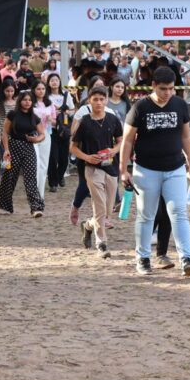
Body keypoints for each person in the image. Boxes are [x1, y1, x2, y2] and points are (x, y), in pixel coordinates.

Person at [120, 66, 190, 277]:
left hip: (174, 168)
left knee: (179, 213)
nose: (168, 93)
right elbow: (127, 141)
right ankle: (143, 258)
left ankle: (186, 257)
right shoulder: (140, 107)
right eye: (163, 89)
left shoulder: (180, 105)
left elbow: (186, 137)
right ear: (153, 86)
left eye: (172, 89)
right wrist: (123, 170)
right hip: (146, 169)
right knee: (146, 215)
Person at [71, 86, 123, 259]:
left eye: (102, 99)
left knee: (107, 210)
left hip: (111, 168)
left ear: (106, 100)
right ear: (89, 101)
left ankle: (87, 225)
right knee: (99, 205)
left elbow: (121, 141)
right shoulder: (84, 122)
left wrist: (114, 151)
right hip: (92, 168)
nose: (99, 102)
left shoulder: (113, 119)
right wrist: (87, 157)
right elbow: (73, 147)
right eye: (95, 99)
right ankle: (102, 243)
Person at [0, 91, 46, 218]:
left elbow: (42, 134)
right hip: (13, 147)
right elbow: (5, 132)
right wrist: (6, 150)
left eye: (30, 100)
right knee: (10, 177)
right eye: (25, 100)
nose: (27, 102)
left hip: (29, 148)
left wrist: (36, 139)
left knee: (30, 178)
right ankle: (6, 205)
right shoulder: (13, 115)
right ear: (20, 101)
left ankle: (35, 207)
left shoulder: (34, 117)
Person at [32, 82, 56, 197]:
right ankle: (33, 190)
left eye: (43, 88)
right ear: (34, 90)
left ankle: (40, 194)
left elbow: (55, 121)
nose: (41, 91)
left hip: (46, 133)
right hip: (33, 134)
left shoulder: (49, 104)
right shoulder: (30, 103)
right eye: (38, 88)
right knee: (35, 163)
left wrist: (51, 119)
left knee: (44, 165)